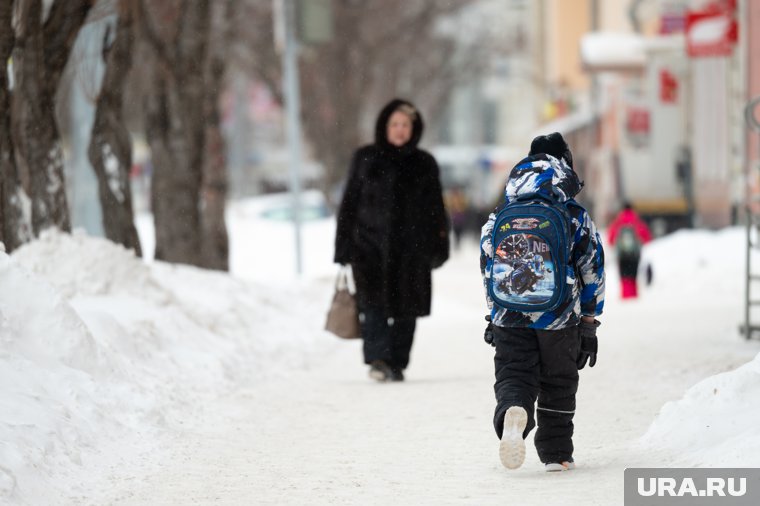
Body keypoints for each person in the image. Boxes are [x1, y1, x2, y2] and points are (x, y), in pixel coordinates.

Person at [479, 132, 605, 472]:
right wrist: (590, 323)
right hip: (559, 316)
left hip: (508, 313)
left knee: (514, 372)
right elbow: (592, 268)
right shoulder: (572, 213)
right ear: (565, 166)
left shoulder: (502, 212)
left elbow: (489, 264)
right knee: (558, 381)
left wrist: (495, 314)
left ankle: (513, 410)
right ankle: (556, 453)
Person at [334, 99, 449, 382]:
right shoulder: (365, 158)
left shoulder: (424, 163)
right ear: (384, 126)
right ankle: (378, 360)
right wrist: (344, 246)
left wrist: (439, 245)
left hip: (413, 251)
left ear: (414, 128)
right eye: (394, 124)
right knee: (372, 307)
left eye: (405, 125)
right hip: (369, 248)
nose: (399, 130)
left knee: (406, 310)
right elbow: (348, 204)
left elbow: (437, 208)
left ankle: (397, 362)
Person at [607, 202, 652, 299]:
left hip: (622, 255)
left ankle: (626, 296)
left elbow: (610, 239)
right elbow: (647, 237)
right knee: (633, 275)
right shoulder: (636, 221)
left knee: (624, 277)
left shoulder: (618, 221)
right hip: (634, 255)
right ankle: (633, 295)